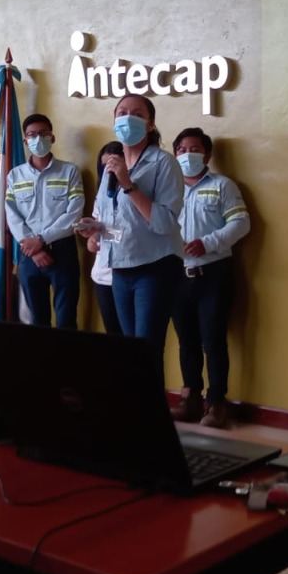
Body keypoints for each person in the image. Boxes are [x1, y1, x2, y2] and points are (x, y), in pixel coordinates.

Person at [76, 94, 184, 389]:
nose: (127, 118)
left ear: (150, 124)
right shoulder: (112, 166)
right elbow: (119, 224)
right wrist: (96, 229)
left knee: (147, 349)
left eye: (137, 114)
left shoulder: (164, 163)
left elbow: (164, 223)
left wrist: (128, 184)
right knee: (130, 349)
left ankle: (152, 417)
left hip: (156, 267)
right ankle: (133, 412)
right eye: (122, 112)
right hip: (120, 268)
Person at [168, 128, 250, 427]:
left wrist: (208, 242)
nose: (187, 155)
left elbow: (241, 222)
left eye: (195, 149)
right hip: (176, 275)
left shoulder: (222, 185)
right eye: (182, 150)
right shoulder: (168, 189)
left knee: (213, 340)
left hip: (213, 274)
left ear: (207, 155)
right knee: (186, 341)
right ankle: (189, 398)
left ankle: (216, 403)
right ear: (174, 154)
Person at [4, 114, 84, 329]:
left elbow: (74, 214)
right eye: (32, 135)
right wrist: (34, 248)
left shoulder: (69, 171)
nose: (37, 139)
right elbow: (12, 215)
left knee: (66, 319)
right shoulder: (15, 175)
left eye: (43, 133)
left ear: (52, 137)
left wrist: (40, 240)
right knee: (37, 322)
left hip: (62, 252)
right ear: (25, 141)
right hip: (29, 255)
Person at [86, 141, 124, 336]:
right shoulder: (101, 193)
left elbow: (133, 233)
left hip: (126, 275)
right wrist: (92, 237)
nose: (108, 170)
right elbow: (99, 224)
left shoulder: (134, 191)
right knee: (113, 335)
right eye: (104, 166)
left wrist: (103, 234)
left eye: (113, 164)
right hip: (102, 276)